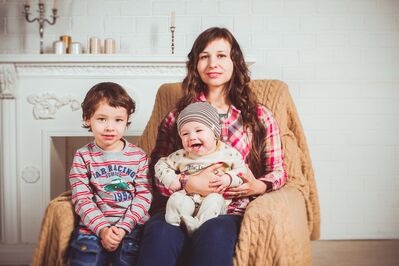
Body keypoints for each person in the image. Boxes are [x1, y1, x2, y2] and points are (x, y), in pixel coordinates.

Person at [137, 27, 287, 266]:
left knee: (215, 235)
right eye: (204, 56)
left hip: (227, 209)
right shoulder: (177, 117)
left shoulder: (259, 116)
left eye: (221, 55)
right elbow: (157, 169)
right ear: (195, 64)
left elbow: (278, 171)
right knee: (159, 234)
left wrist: (256, 186)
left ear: (235, 61)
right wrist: (187, 183)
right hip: (179, 204)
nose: (212, 63)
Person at [68, 82, 152, 266]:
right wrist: (103, 229)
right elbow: (82, 198)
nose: (109, 127)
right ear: (87, 119)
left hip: (132, 228)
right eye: (101, 119)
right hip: (92, 227)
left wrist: (122, 227)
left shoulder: (138, 156)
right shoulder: (83, 156)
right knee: (85, 260)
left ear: (127, 121)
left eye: (118, 120)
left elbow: (144, 197)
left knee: (128, 258)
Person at [155, 101, 245, 235]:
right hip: (188, 196)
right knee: (176, 200)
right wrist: (171, 179)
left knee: (214, 201)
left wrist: (228, 178)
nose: (191, 137)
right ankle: (177, 222)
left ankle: (197, 225)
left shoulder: (227, 153)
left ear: (214, 133)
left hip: (213, 198)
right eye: (185, 134)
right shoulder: (181, 155)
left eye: (199, 130)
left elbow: (242, 171)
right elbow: (160, 164)